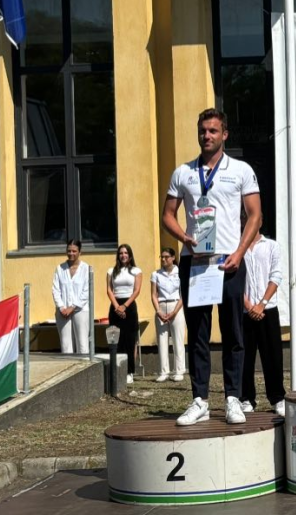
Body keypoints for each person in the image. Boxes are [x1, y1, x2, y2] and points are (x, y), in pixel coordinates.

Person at [162, 108, 262, 426]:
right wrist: (184, 238)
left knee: (233, 332)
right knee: (198, 334)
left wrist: (240, 252)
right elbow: (167, 215)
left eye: (213, 131)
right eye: (203, 131)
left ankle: (233, 398)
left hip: (228, 261)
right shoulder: (183, 173)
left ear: (224, 134)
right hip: (195, 263)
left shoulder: (241, 170)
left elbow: (255, 215)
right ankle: (200, 400)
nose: (207, 136)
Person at [241, 229, 287, 416]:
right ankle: (246, 398)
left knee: (272, 355)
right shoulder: (237, 247)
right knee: (245, 357)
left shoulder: (271, 246)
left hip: (267, 309)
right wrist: (247, 304)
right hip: (244, 310)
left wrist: (262, 304)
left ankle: (277, 397)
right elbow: (233, 278)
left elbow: (276, 276)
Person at [107, 244, 143, 384]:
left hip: (129, 305)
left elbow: (137, 290)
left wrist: (125, 306)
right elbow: (109, 290)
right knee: (116, 339)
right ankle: (118, 370)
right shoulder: (111, 271)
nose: (123, 255)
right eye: (121, 253)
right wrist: (117, 306)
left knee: (129, 340)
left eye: (126, 253)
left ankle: (129, 371)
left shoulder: (136, 271)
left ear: (130, 255)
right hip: (115, 306)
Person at [150, 245, 186, 382]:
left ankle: (179, 370)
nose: (163, 259)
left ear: (173, 258)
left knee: (178, 339)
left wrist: (175, 311)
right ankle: (163, 371)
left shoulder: (180, 272)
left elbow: (183, 294)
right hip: (161, 306)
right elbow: (153, 294)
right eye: (162, 257)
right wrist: (158, 310)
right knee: (162, 339)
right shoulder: (156, 274)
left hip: (176, 305)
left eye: (166, 257)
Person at [52, 239, 91, 354]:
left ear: (80, 252)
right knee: (65, 345)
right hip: (63, 311)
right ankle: (68, 366)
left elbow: (86, 292)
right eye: (69, 251)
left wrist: (72, 307)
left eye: (74, 251)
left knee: (82, 345)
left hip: (80, 310)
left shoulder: (86, 269)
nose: (71, 253)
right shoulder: (60, 268)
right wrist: (61, 307)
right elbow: (55, 289)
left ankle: (84, 365)